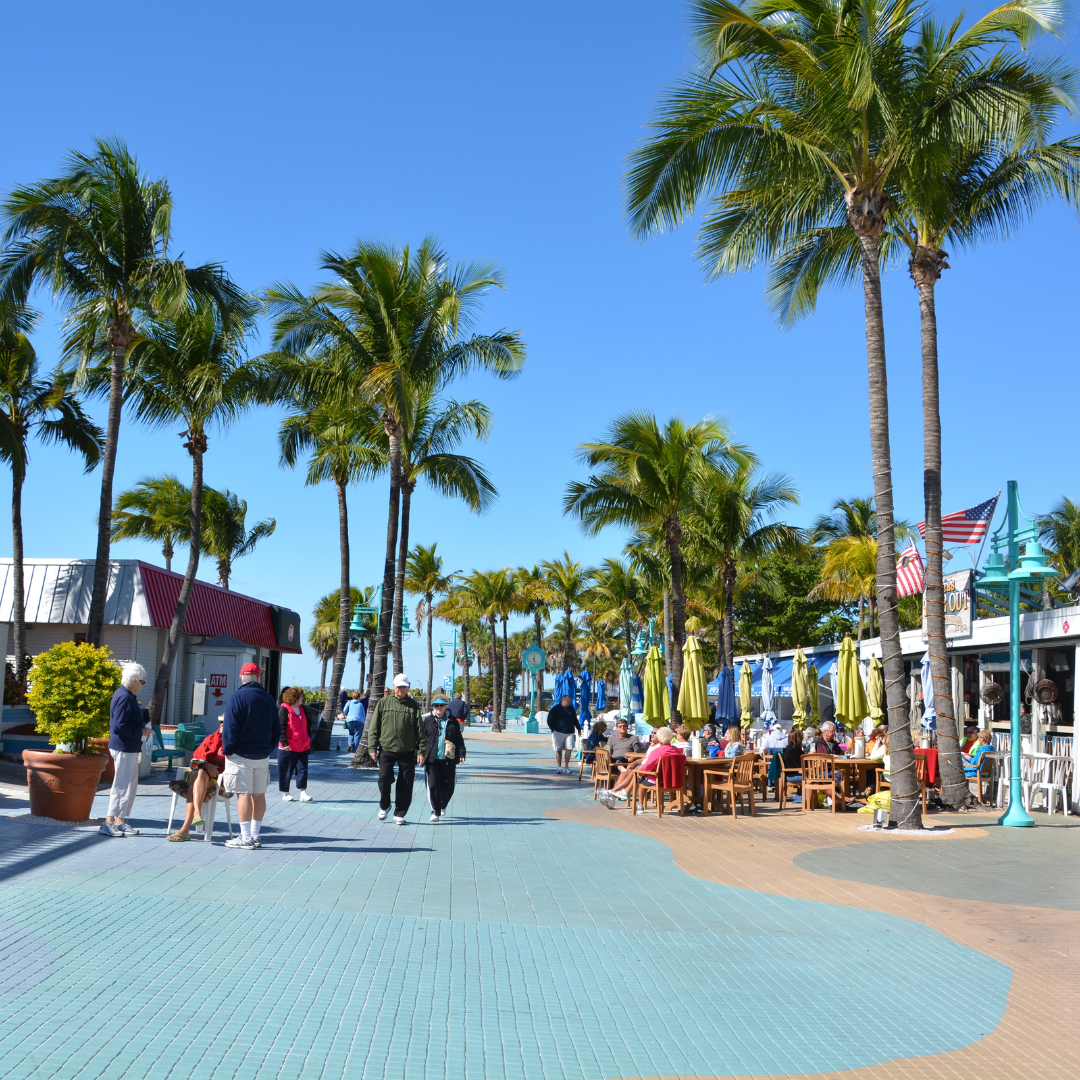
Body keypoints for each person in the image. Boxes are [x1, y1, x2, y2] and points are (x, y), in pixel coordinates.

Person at [222, 662, 280, 850]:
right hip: (262, 754)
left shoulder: (237, 697)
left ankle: (246, 837)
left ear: (241, 677)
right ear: (258, 677)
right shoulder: (268, 698)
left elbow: (230, 727)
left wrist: (228, 749)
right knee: (259, 794)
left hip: (241, 754)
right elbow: (276, 729)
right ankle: (255, 835)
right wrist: (268, 748)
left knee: (243, 794)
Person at [101, 662, 151, 837]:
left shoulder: (127, 696)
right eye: (142, 682)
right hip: (124, 747)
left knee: (129, 786)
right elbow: (118, 725)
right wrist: (140, 732)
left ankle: (119, 820)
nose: (143, 686)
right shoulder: (124, 696)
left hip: (129, 747)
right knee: (121, 786)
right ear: (134, 681)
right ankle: (108, 821)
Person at [368, 673, 425, 824]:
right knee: (384, 778)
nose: (401, 689)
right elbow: (374, 727)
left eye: (404, 687)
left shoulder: (413, 705)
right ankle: (385, 805)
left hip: (407, 750)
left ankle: (399, 813)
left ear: (408, 688)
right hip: (386, 749)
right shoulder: (383, 703)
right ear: (394, 686)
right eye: (398, 686)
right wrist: (372, 747)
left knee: (406, 783)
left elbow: (420, 730)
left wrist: (421, 751)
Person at [168, 717, 227, 841]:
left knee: (196, 782)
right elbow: (194, 761)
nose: (222, 724)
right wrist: (207, 765)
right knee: (200, 773)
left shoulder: (233, 743)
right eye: (221, 722)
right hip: (198, 773)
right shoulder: (210, 739)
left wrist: (213, 769)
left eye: (226, 722)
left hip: (216, 779)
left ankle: (186, 827)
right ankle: (197, 814)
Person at [598, 727, 683, 807]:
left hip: (655, 778)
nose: (652, 734)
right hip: (674, 779)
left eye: (655, 733)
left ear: (660, 737)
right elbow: (684, 761)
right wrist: (635, 764)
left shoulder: (658, 750)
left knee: (636, 775)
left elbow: (648, 765)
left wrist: (639, 771)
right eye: (652, 732)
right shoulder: (676, 750)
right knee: (625, 774)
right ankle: (615, 794)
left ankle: (623, 794)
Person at [423, 695, 465, 821]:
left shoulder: (452, 721)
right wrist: (418, 755)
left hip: (448, 760)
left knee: (448, 788)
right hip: (432, 760)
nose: (439, 708)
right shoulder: (428, 721)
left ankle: (443, 804)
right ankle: (435, 812)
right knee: (433, 786)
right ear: (433, 707)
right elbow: (421, 739)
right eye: (436, 705)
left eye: (441, 705)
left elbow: (458, 739)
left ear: (446, 706)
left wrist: (462, 753)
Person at [278, 686, 313, 802]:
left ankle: (303, 792)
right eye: (301, 696)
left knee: (303, 769)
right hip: (288, 747)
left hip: (303, 746)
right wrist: (285, 743)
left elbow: (308, 725)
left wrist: (308, 738)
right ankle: (286, 793)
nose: (302, 698)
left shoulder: (302, 709)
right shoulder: (284, 710)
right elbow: (281, 728)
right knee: (286, 770)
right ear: (294, 698)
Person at [547, 694, 581, 774]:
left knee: (569, 749)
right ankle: (559, 767)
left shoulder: (571, 708)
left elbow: (575, 720)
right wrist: (553, 729)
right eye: (568, 701)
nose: (569, 703)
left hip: (570, 732)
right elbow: (549, 720)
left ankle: (566, 767)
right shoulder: (555, 708)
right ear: (563, 701)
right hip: (558, 732)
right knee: (558, 750)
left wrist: (578, 728)